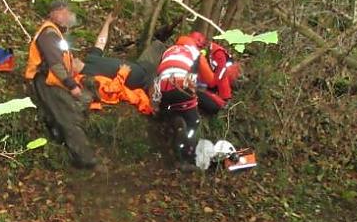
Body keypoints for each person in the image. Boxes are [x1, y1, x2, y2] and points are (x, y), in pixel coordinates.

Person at [25, 1, 97, 169]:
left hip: (55, 80)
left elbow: (62, 60)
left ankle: (60, 138)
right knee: (68, 118)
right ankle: (85, 160)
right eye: (63, 12)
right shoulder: (48, 34)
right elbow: (55, 64)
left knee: (83, 102)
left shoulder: (55, 33)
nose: (67, 16)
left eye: (67, 12)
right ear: (53, 13)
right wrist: (72, 86)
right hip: (46, 81)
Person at [153, 31, 216, 170]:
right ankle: (185, 158)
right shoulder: (195, 52)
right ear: (198, 44)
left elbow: (159, 71)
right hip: (181, 87)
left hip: (162, 89)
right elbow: (210, 80)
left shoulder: (169, 50)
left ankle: (173, 119)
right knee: (194, 121)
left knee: (171, 107)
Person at [76, 14, 166, 91]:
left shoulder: (89, 58)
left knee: (158, 45)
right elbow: (110, 90)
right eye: (69, 61)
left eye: (71, 58)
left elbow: (100, 43)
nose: (73, 58)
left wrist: (107, 23)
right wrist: (121, 75)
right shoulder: (88, 78)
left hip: (142, 65)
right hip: (145, 82)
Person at [197, 41, 241, 116]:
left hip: (229, 74)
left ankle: (224, 99)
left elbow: (221, 74)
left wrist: (225, 97)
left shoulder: (218, 53)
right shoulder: (207, 53)